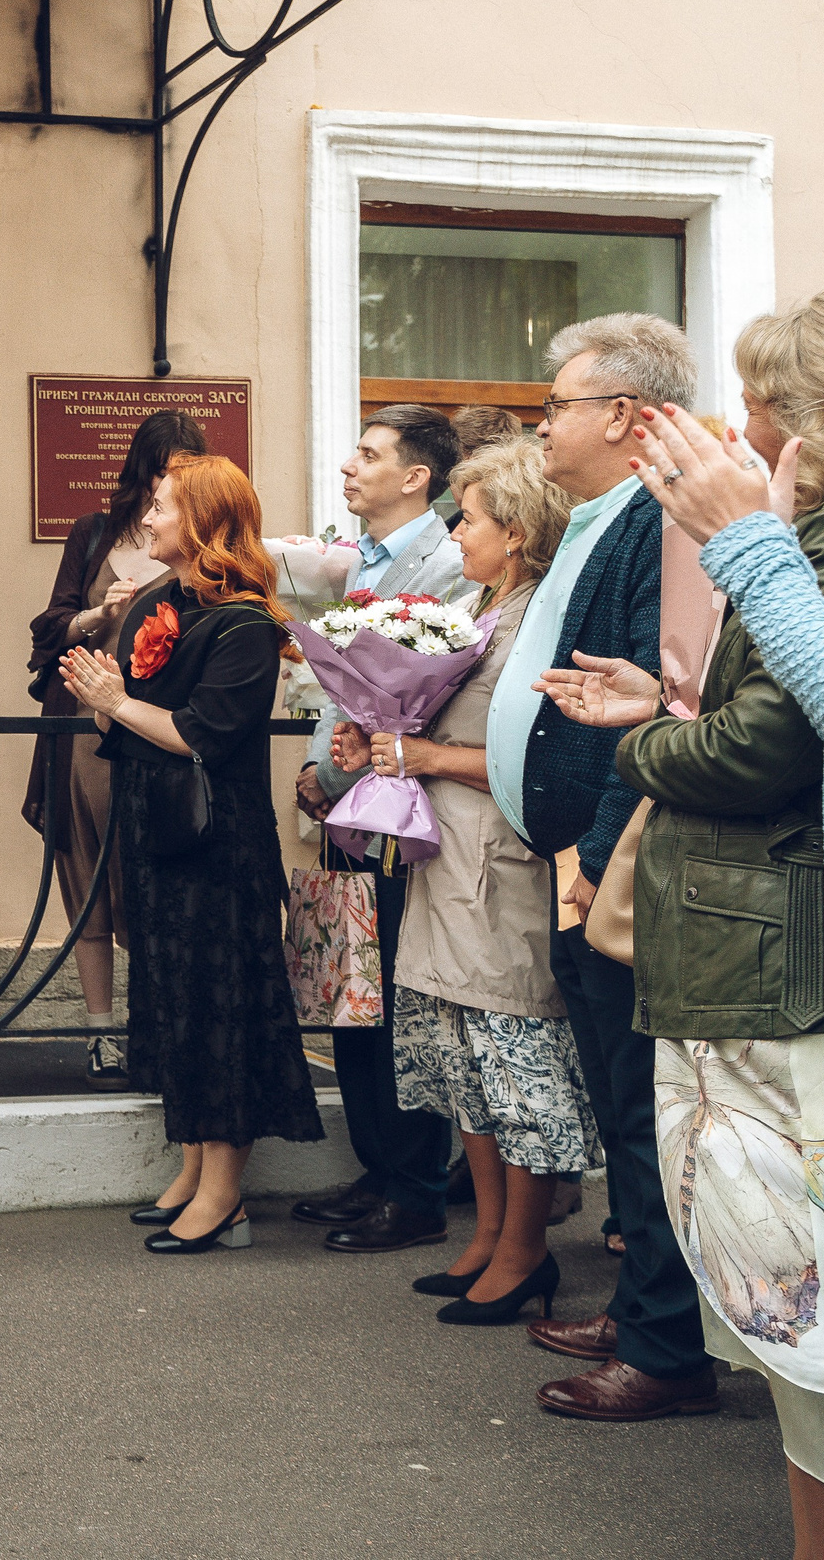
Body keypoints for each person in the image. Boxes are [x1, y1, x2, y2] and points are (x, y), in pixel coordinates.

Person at [577, 262, 824, 1557]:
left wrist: (644, 749)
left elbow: (807, 729)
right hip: (803, 960)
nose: (736, 425)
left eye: (757, 397)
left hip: (799, 973)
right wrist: (670, 707)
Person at [479, 312, 711, 1422]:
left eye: (557, 404)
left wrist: (597, 854)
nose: (543, 422)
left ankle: (667, 1349)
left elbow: (651, 700)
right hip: (579, 855)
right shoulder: (602, 515)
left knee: (639, 1106)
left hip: (609, 867)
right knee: (625, 1110)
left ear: (621, 415)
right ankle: (641, 1308)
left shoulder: (654, 519)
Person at [331, 440, 595, 1323]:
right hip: (445, 856)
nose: (456, 530)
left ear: (515, 532)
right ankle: (484, 1234)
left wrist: (424, 752)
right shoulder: (483, 604)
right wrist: (375, 737)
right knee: (461, 1063)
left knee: (512, 1060)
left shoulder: (541, 619)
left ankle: (525, 1251)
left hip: (500, 865)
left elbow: (542, 757)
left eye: (470, 517)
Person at [62, 453, 323, 1253]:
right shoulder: (156, 603)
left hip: (218, 849)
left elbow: (199, 734)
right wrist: (103, 704)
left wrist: (119, 703)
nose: (148, 519)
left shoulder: (247, 624)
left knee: (220, 1010)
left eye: (165, 507)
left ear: (207, 522)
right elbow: (136, 723)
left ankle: (224, 1195)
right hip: (159, 839)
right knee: (175, 1003)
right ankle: (190, 1166)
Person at [291, 405, 466, 1255]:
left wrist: (341, 771)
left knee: (399, 995)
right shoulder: (352, 558)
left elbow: (423, 689)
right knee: (351, 992)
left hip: (398, 807)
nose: (347, 468)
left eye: (367, 455)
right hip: (343, 803)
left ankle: (417, 1185)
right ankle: (376, 1164)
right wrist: (321, 770)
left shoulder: (451, 564)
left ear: (415, 477)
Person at [23, 409, 209, 1089]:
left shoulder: (201, 544)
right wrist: (101, 615)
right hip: (84, 725)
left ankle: (154, 1024)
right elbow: (49, 624)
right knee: (90, 873)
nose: (175, 485)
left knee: (148, 870)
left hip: (153, 724)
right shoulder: (94, 533)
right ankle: (101, 1032)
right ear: (144, 471)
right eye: (166, 471)